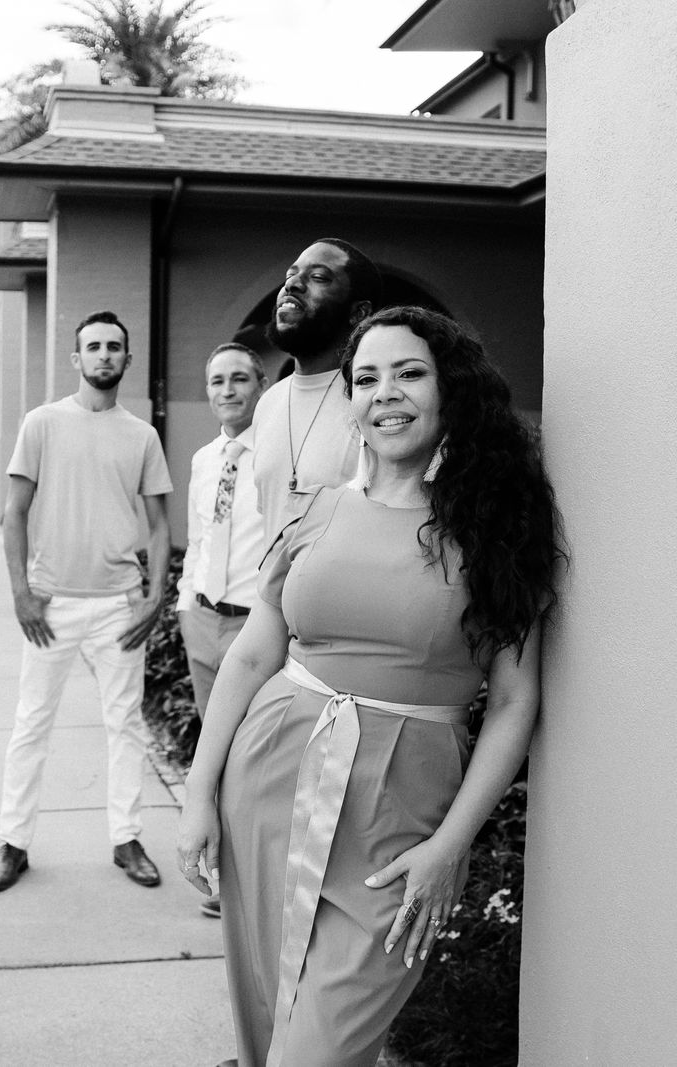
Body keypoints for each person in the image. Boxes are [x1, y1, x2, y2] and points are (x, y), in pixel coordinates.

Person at [177, 306, 564, 1065]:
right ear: (350, 400)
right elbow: (253, 654)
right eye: (366, 378)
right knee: (265, 1022)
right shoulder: (314, 507)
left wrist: (452, 844)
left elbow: (514, 701)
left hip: (399, 817)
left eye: (410, 373)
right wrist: (198, 791)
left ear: (451, 388)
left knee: (319, 1049)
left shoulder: (498, 531)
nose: (386, 392)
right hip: (268, 780)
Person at [0, 310, 173, 893]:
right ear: (76, 358)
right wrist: (20, 592)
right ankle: (13, 843)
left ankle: (127, 839)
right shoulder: (41, 424)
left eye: (114, 347)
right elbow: (14, 513)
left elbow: (159, 526)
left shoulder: (141, 435)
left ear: (127, 359)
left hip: (119, 606)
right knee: (31, 724)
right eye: (93, 346)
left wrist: (154, 597)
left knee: (125, 726)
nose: (104, 355)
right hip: (52, 605)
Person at [174, 342, 267, 919]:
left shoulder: (280, 455)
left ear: (261, 385)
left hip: (254, 628)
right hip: (203, 620)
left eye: (239, 379)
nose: (227, 390)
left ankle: (251, 878)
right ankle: (220, 871)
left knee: (252, 756)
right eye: (216, 381)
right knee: (214, 756)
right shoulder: (205, 459)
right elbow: (199, 537)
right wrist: (187, 604)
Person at [250, 237, 381, 540]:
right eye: (290, 275)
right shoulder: (268, 403)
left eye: (319, 277)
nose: (292, 284)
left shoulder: (374, 402)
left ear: (359, 313)